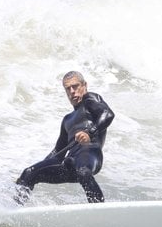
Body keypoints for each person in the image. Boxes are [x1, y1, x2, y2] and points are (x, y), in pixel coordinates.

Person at [14, 71, 115, 204]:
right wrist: (35, 170)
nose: (72, 91)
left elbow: (108, 114)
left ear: (84, 85)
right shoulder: (67, 120)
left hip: (89, 154)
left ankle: (99, 210)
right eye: (68, 88)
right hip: (70, 163)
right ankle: (15, 210)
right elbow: (58, 152)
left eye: (75, 86)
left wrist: (90, 133)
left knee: (83, 172)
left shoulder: (90, 99)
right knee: (29, 173)